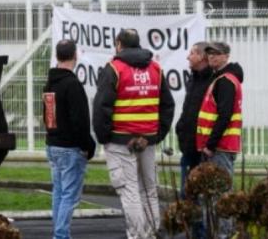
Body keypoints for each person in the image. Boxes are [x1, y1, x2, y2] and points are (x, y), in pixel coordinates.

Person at [93, 29, 175, 239]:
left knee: (129, 190)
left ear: (119, 44)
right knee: (149, 189)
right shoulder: (156, 69)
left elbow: (102, 107)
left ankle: (138, 235)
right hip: (147, 140)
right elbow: (167, 105)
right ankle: (152, 232)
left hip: (121, 141)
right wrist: (156, 135)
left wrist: (104, 138)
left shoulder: (114, 68)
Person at [43, 39, 96, 239]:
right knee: (69, 196)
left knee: (58, 193)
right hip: (70, 148)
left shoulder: (49, 84)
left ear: (57, 56)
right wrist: (88, 146)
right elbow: (80, 121)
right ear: (75, 56)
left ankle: (59, 233)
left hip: (53, 145)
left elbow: (48, 116)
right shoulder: (72, 85)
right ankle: (61, 235)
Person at [197, 42, 243, 239]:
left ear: (226, 56)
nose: (211, 58)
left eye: (216, 54)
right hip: (219, 147)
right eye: (209, 54)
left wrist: (210, 145)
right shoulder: (220, 79)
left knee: (220, 195)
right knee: (215, 193)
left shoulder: (225, 81)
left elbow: (224, 115)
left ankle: (223, 235)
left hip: (220, 148)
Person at [175, 41, 213, 198]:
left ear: (202, 57)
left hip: (203, 149)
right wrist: (180, 127)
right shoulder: (193, 78)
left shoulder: (213, 80)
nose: (188, 57)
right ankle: (192, 223)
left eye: (192, 53)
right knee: (187, 194)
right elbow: (188, 109)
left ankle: (201, 224)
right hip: (188, 146)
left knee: (202, 195)